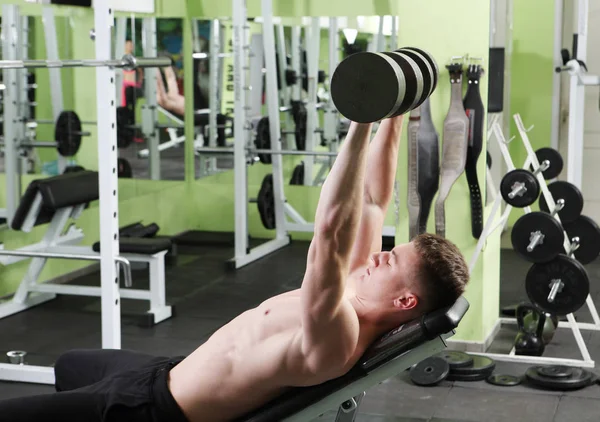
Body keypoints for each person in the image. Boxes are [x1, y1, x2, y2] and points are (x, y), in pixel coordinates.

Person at [0, 116, 469, 422]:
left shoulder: (338, 335)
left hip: (152, 411)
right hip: (165, 373)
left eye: (392, 260)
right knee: (70, 365)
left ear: (405, 301)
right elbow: (370, 200)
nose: (380, 253)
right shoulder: (355, 292)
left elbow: (329, 231)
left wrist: (361, 121)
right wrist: (394, 115)